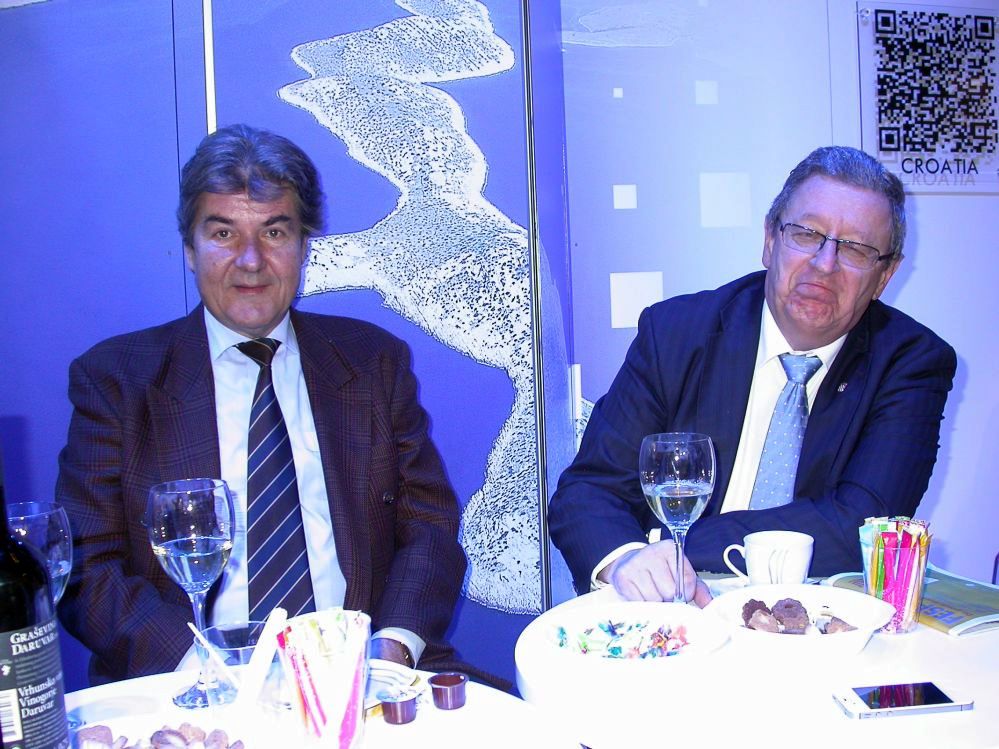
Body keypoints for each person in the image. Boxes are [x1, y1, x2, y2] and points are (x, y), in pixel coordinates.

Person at [57, 124, 467, 683]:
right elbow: (86, 564)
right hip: (191, 685)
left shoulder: (372, 362)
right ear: (190, 250)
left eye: (274, 232)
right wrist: (209, 672)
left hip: (358, 674)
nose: (250, 261)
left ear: (304, 247)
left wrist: (389, 650)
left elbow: (429, 526)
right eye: (223, 233)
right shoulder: (118, 380)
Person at [548, 146, 956, 604]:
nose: (825, 264)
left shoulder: (912, 362)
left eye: (856, 249)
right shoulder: (677, 333)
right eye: (807, 234)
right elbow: (588, 490)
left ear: (884, 276)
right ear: (770, 240)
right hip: (672, 612)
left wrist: (673, 542)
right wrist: (627, 559)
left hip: (818, 622)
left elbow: (863, 527)